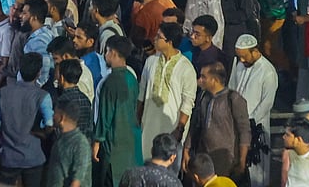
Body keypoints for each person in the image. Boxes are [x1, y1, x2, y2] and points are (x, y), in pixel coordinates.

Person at [0, 53, 53, 187]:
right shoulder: (43, 96)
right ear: (38, 73)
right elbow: (49, 124)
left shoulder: (3, 93)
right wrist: (39, 133)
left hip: (9, 157)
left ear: (20, 70)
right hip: (34, 158)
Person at [138, 21, 196, 163]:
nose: (154, 39)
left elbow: (187, 103)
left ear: (169, 42)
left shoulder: (186, 68)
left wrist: (179, 129)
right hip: (149, 122)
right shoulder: (150, 61)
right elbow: (142, 92)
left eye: (158, 37)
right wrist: (138, 114)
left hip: (172, 126)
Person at [185, 62, 249, 180]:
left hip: (226, 160)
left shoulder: (233, 99)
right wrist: (186, 149)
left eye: (204, 77)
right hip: (204, 159)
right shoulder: (203, 97)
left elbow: (244, 131)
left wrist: (242, 161)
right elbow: (195, 126)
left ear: (214, 80)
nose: (200, 80)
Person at [94, 37, 144, 187]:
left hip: (114, 143)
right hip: (131, 140)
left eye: (107, 51)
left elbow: (105, 116)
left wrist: (97, 141)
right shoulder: (132, 77)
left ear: (113, 53)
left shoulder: (110, 82)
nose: (105, 55)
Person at [230, 35, 277, 187]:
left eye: (244, 56)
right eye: (239, 57)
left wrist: (251, 123)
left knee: (257, 169)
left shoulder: (268, 71)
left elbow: (267, 103)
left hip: (256, 127)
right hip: (237, 124)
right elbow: (232, 89)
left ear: (255, 51)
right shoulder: (239, 65)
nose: (242, 60)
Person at [47, 96, 93, 187]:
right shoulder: (60, 139)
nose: (52, 116)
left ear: (62, 117)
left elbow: (77, 180)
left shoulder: (80, 143)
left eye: (55, 112)